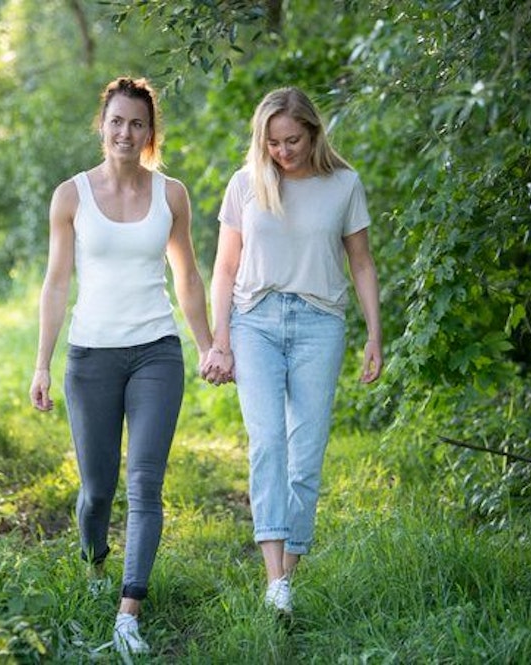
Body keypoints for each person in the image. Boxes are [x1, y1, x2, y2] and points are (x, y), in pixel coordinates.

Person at [29, 76, 214, 655]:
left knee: (145, 483)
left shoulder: (172, 195)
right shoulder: (71, 196)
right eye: (117, 121)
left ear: (149, 132)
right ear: (102, 125)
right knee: (97, 490)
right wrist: (42, 365)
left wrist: (208, 344)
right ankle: (94, 562)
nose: (126, 132)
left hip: (157, 349)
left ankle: (129, 609)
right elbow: (57, 283)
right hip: (90, 357)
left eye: (137, 123)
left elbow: (186, 275)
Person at [202, 86, 383, 614]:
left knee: (305, 454)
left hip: (320, 323)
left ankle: (287, 576)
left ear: (313, 132)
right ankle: (273, 578)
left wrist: (374, 335)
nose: (284, 152)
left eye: (293, 140)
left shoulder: (343, 185)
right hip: (254, 320)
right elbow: (225, 269)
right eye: (274, 143)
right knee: (267, 445)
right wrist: (221, 338)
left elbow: (363, 264)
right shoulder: (245, 185)